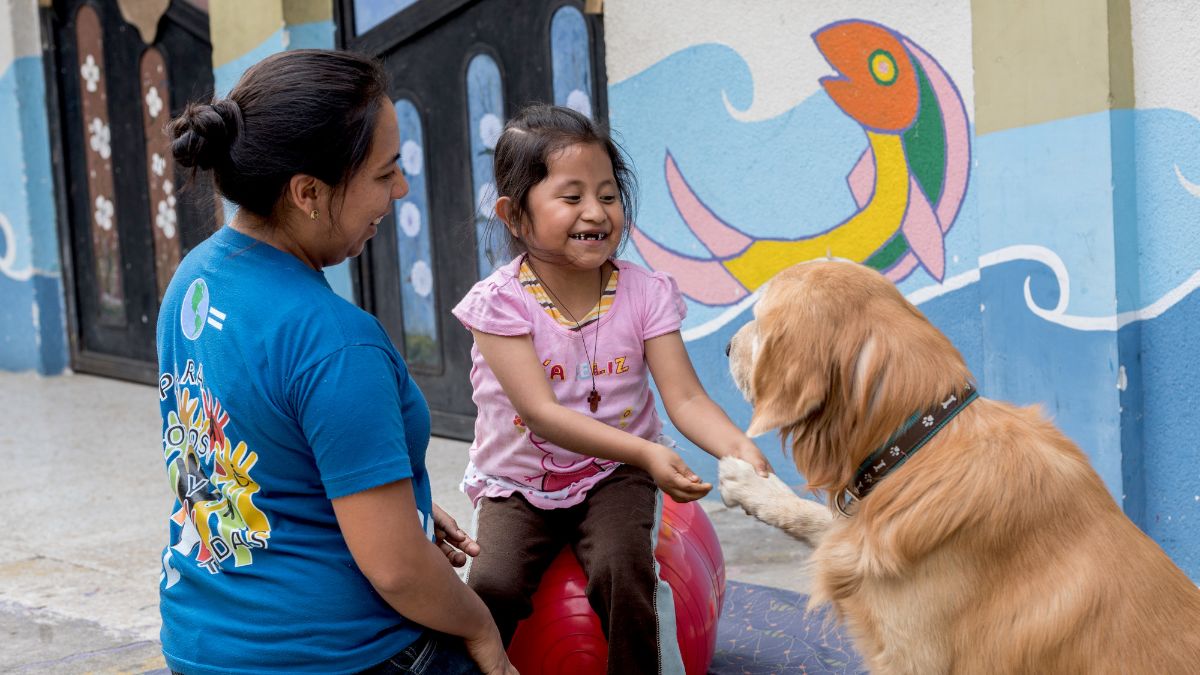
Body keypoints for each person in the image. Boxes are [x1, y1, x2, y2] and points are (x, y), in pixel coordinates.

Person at [157, 49, 516, 675]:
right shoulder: (336, 342)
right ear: (308, 193)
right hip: (335, 656)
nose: (401, 189)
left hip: (202, 643)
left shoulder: (195, 280)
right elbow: (399, 571)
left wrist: (387, 493)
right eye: (385, 174)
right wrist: (482, 632)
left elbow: (232, 443)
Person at [451, 104, 772, 674]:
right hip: (518, 482)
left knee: (625, 572)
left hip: (613, 475)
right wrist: (651, 452)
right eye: (571, 198)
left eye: (608, 194)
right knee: (493, 585)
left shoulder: (646, 293)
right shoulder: (497, 304)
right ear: (514, 216)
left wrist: (737, 447)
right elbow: (542, 415)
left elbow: (686, 398)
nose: (596, 212)